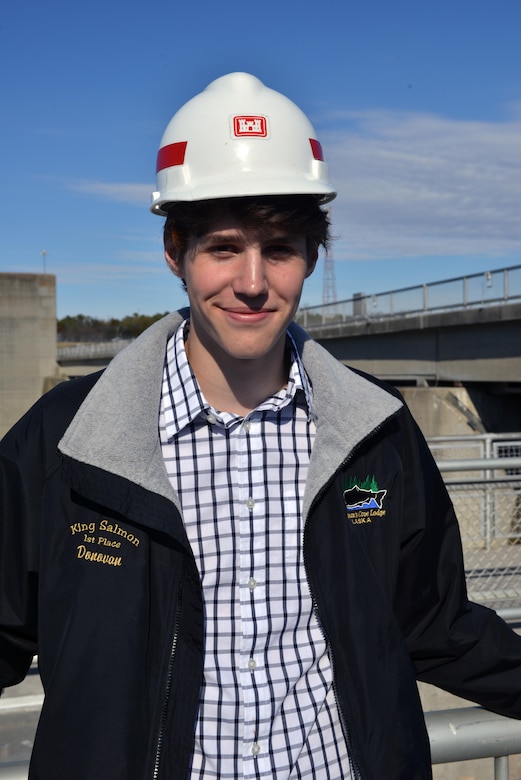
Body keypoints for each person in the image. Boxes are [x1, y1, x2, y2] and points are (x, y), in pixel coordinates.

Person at [0, 72, 520, 780]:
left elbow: (435, 624)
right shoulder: (66, 443)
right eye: (222, 247)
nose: (251, 282)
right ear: (173, 253)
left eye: (278, 248)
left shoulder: (376, 432)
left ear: (311, 257)